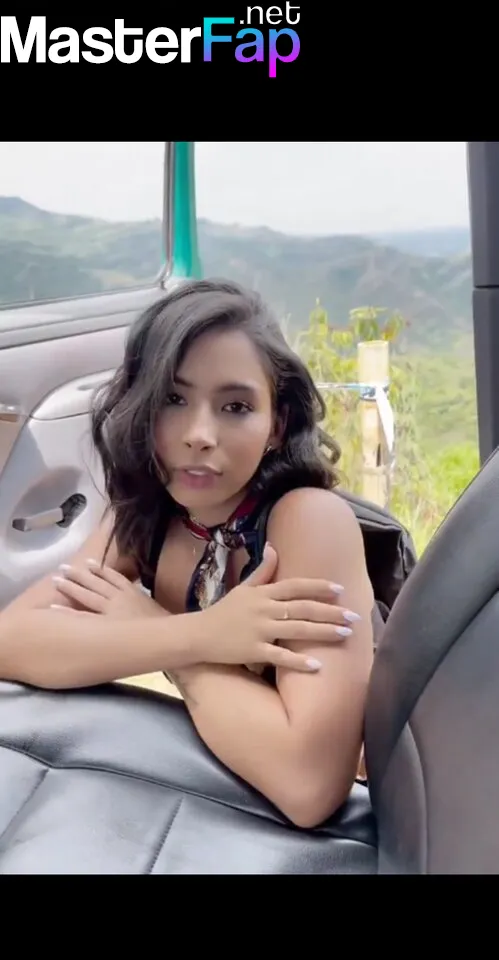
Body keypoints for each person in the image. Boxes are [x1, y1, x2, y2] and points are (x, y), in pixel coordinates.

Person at [0, 279, 374, 828]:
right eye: (173, 399)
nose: (199, 434)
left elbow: (308, 786)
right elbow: (12, 641)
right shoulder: (146, 513)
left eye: (236, 406)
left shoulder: (308, 521)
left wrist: (149, 630)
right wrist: (198, 636)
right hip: (228, 775)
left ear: (276, 426)